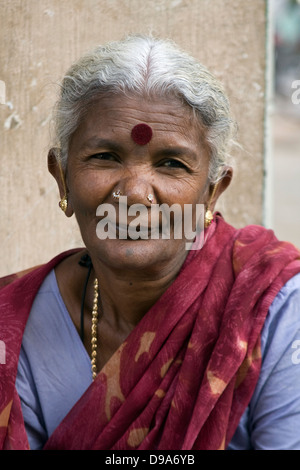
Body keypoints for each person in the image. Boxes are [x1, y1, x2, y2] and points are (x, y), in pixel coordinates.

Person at [0, 34, 300, 451]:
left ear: (212, 193)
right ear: (62, 176)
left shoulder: (275, 307)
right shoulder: (12, 323)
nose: (137, 193)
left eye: (171, 164)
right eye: (105, 156)